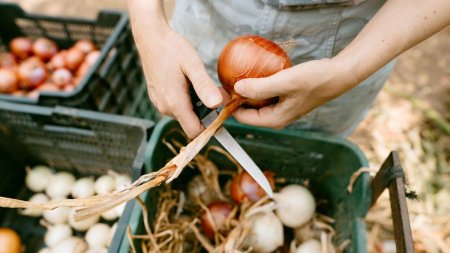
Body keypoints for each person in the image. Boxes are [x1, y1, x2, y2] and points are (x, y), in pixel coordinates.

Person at [126, 0, 450, 139]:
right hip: (208, 17)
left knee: (304, 155)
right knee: (186, 131)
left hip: (353, 38)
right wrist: (148, 27)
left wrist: (347, 70)